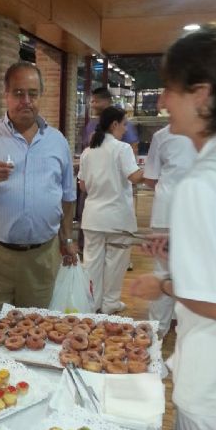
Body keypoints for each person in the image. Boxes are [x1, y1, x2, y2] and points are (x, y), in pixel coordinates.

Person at [129, 23, 216, 430]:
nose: (163, 101)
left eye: (172, 89)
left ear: (204, 95)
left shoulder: (205, 179)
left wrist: (170, 283)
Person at [0, 61, 77, 326]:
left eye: (32, 93)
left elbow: (67, 197)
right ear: (6, 95)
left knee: (36, 331)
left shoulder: (57, 141)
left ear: (41, 95)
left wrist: (67, 239)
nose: (26, 100)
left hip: (41, 257)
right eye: (18, 93)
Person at [78, 106, 143, 314]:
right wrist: (154, 169)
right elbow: (134, 177)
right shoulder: (122, 149)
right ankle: (110, 303)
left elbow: (82, 185)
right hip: (117, 219)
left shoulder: (88, 151)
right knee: (115, 264)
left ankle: (92, 304)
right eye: (124, 124)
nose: (125, 129)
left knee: (91, 264)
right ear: (114, 124)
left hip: (93, 217)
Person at [143, 124, 196, 337]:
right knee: (190, 273)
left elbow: (150, 178)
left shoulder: (161, 136)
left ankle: (156, 333)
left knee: (163, 271)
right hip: (194, 214)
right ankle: (180, 326)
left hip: (166, 211)